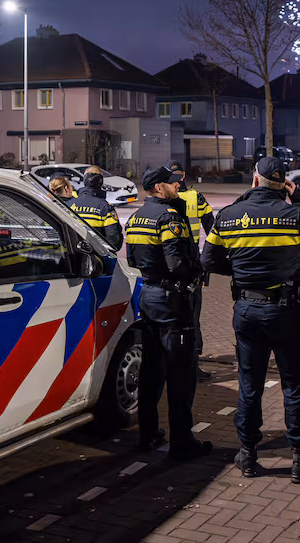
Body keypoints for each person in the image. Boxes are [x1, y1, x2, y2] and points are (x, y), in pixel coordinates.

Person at [202, 156, 300, 483]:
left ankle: (247, 454)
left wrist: (243, 273)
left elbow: (209, 259)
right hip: (287, 312)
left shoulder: (229, 216)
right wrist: (299, 196)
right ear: (283, 184)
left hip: (246, 311)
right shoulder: (295, 215)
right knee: (294, 385)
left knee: (249, 386)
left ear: (255, 180)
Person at [125, 166, 212, 460]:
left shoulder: (137, 217)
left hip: (148, 296)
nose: (177, 186)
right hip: (172, 300)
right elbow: (177, 262)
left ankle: (147, 435)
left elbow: (132, 257)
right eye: (172, 184)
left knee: (151, 372)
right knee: (180, 375)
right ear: (159, 188)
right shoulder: (169, 217)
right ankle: (182, 443)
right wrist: (197, 271)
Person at [166, 160, 214, 378]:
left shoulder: (163, 199)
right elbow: (213, 231)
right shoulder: (196, 197)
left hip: (170, 265)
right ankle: (193, 365)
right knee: (192, 315)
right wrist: (206, 261)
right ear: (183, 176)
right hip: (192, 264)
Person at [67, 166, 123, 250]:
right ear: (100, 181)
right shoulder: (105, 207)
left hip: (72, 256)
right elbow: (113, 240)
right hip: (97, 257)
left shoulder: (68, 205)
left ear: (85, 180)